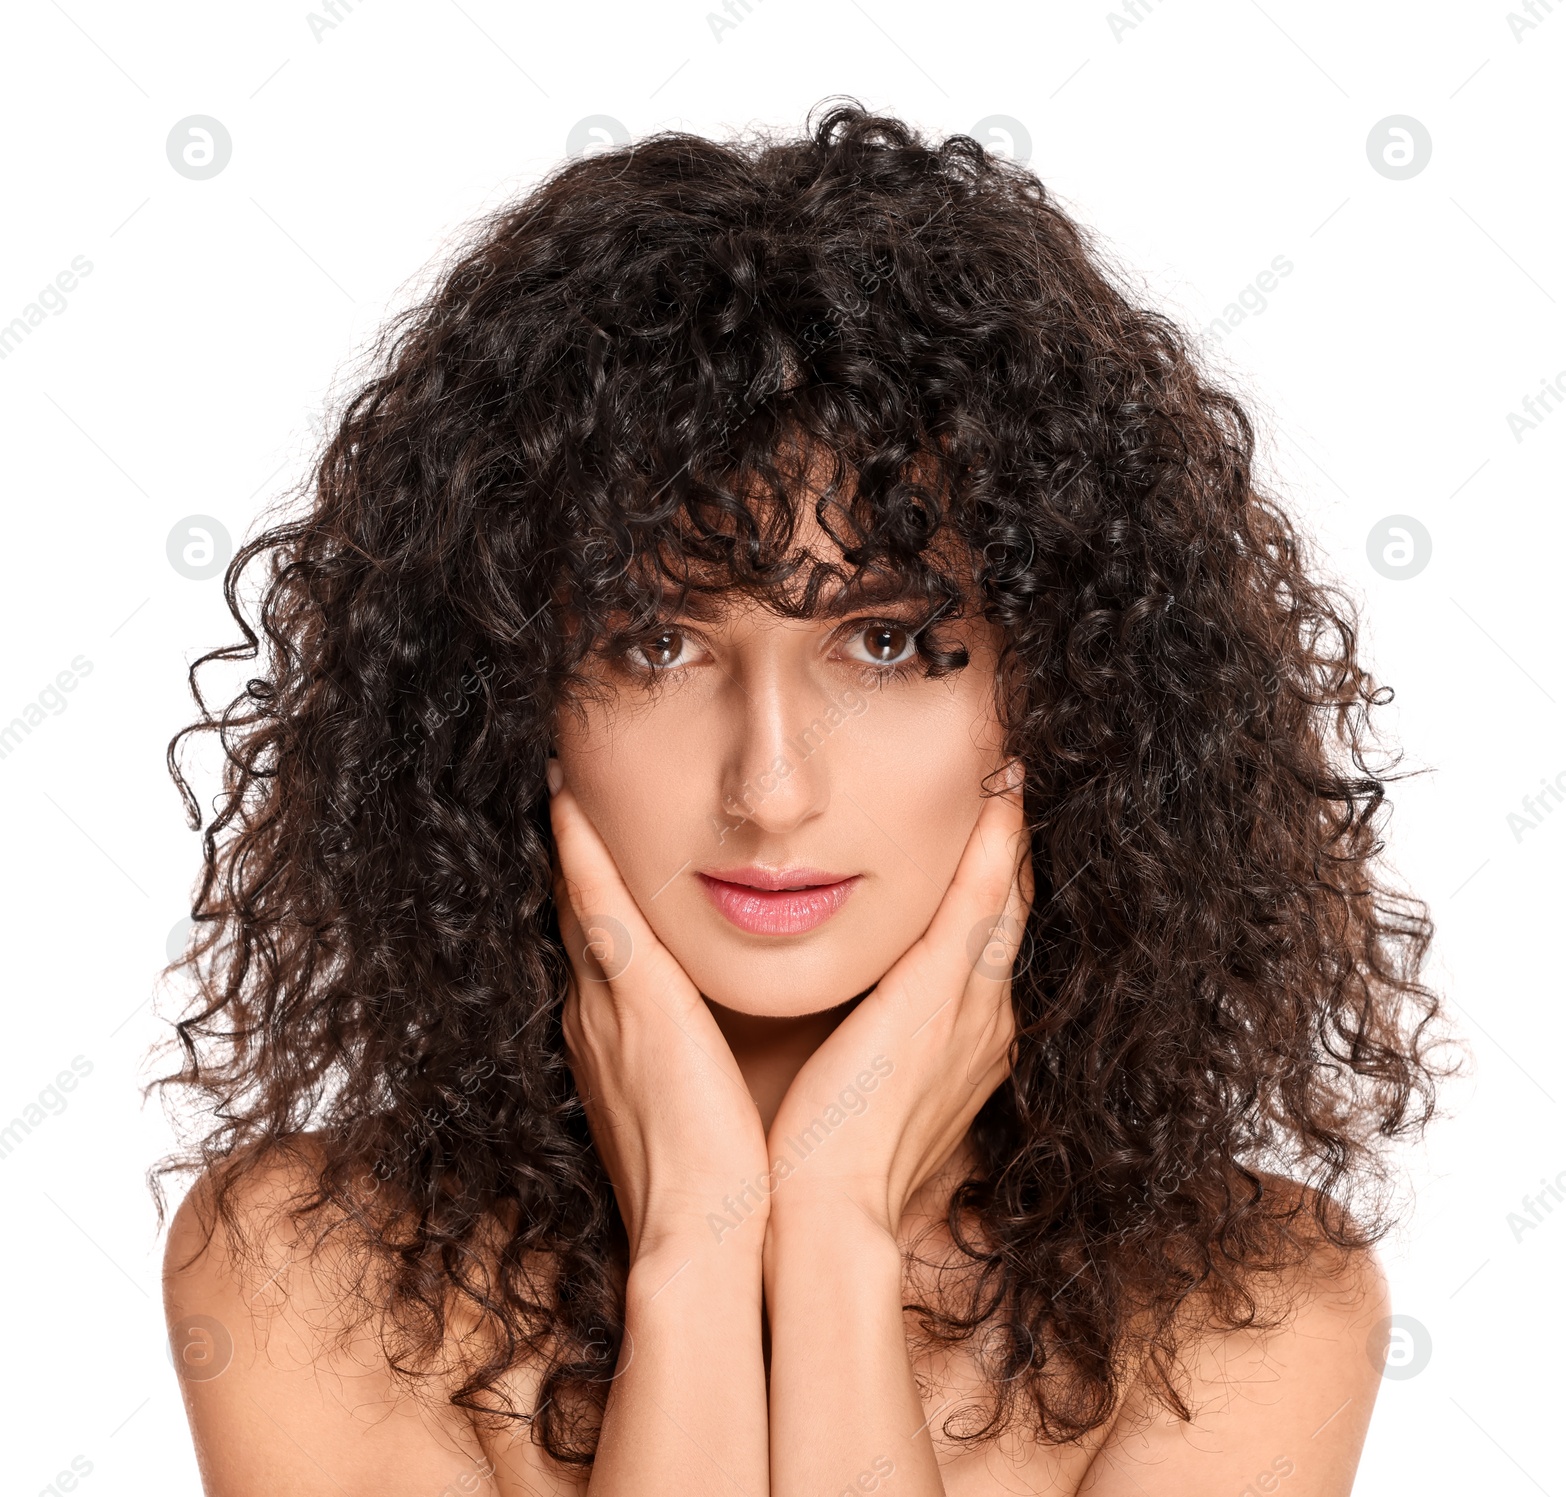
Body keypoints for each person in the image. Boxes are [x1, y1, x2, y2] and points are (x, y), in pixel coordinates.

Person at [153, 100, 1452, 1496]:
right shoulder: (309, 1271)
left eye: (889, 642)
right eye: (654, 642)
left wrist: (833, 1226)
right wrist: (699, 1243)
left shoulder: (1246, 1315)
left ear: (1067, 691)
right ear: (501, 698)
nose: (770, 787)